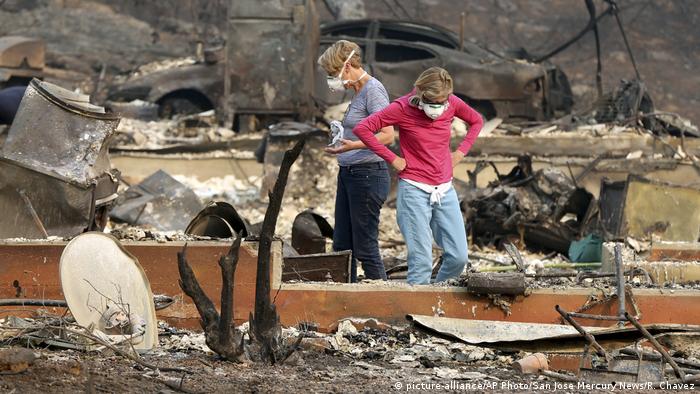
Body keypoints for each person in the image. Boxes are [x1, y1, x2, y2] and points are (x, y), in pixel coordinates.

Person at [353, 67, 484, 285]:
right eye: (433, 101)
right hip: (414, 189)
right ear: (420, 93)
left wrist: (460, 152)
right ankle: (417, 312)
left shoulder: (452, 103)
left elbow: (477, 121)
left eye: (443, 101)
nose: (438, 107)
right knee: (421, 260)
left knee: (459, 257)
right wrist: (392, 159)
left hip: (444, 189)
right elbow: (363, 128)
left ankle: (438, 296)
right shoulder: (401, 108)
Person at [317, 40, 395, 282]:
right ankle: (346, 297)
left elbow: (388, 135)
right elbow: (362, 129)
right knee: (342, 244)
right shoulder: (358, 92)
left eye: (333, 74)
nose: (333, 80)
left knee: (365, 247)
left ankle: (382, 301)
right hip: (350, 173)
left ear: (347, 66)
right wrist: (342, 136)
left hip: (368, 174)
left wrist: (353, 145)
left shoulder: (374, 91)